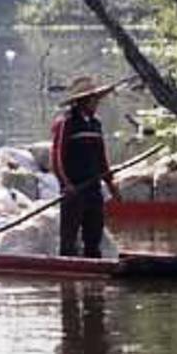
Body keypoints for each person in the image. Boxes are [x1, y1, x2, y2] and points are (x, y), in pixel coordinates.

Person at [50, 75, 121, 258]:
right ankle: (68, 269)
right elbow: (57, 158)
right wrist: (67, 185)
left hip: (93, 187)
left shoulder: (95, 124)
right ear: (84, 101)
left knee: (94, 234)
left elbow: (101, 158)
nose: (97, 103)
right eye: (94, 99)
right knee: (69, 237)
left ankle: (94, 274)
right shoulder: (66, 123)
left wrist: (111, 184)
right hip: (74, 188)